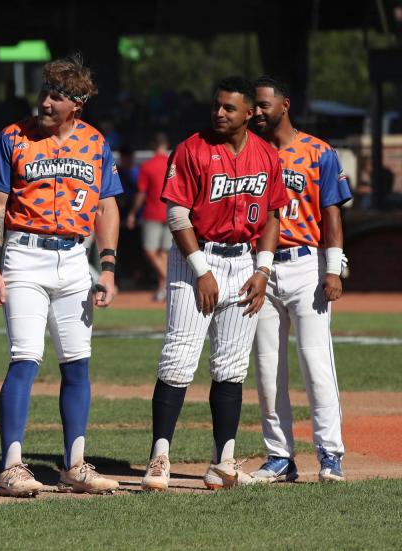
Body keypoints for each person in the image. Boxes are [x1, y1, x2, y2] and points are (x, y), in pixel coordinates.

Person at [0, 53, 122, 497]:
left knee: (77, 363)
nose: (45, 102)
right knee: (25, 357)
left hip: (75, 258)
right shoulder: (13, 137)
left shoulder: (95, 142)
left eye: (56, 97)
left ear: (76, 105)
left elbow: (106, 205)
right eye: (44, 92)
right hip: (24, 255)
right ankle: (11, 466)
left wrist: (108, 266)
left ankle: (74, 465)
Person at [140, 77, 287, 492]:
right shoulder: (192, 148)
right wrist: (201, 269)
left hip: (243, 261)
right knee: (178, 358)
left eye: (229, 108)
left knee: (231, 367)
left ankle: (223, 460)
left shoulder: (265, 154)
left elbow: (273, 215)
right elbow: (176, 215)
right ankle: (160, 456)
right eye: (216, 106)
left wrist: (263, 270)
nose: (219, 113)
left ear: (249, 114)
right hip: (196, 259)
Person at [247, 76, 352, 483]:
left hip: (305, 262)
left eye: (262, 105)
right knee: (267, 366)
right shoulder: (249, 153)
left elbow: (332, 214)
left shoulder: (318, 152)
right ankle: (279, 456)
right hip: (260, 268)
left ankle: (330, 454)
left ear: (284, 104)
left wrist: (333, 267)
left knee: (315, 361)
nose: (256, 112)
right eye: (253, 106)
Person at [126, 133, 173, 301]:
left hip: (152, 213)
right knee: (164, 253)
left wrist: (132, 213)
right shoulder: (173, 164)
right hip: (171, 212)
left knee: (150, 251)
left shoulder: (147, 166)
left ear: (154, 146)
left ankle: (168, 282)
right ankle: (163, 289)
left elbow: (141, 193)